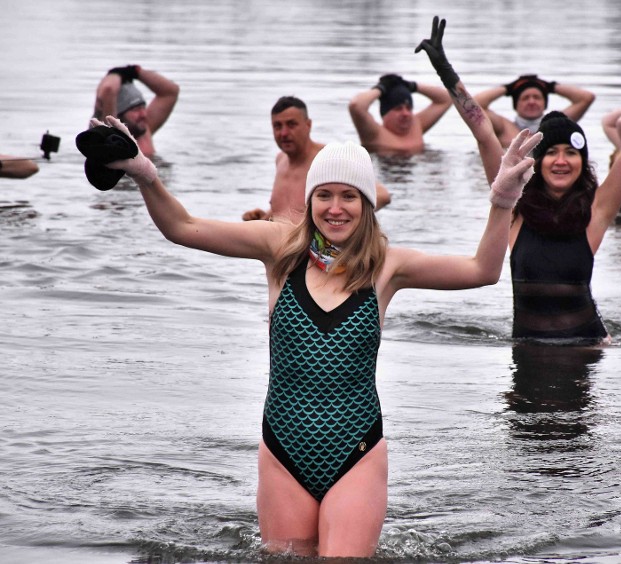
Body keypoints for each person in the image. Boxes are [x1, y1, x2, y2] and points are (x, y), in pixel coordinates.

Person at [82, 102, 539, 555]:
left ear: (366, 203)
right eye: (325, 195)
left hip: (355, 451)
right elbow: (182, 227)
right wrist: (145, 175)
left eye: (349, 197)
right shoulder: (279, 248)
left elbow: (483, 270)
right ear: (310, 199)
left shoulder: (388, 266)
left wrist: (502, 203)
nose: (335, 209)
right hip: (284, 448)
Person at [419, 17, 621, 344]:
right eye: (552, 153)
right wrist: (446, 72)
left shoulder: (596, 212)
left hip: (586, 352)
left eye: (571, 153)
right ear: (537, 160)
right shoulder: (513, 206)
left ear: (582, 162)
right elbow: (485, 136)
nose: (561, 161)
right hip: (527, 353)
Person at [242, 96, 391, 222]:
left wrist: (340, 219)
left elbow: (383, 195)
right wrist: (265, 217)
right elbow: (291, 210)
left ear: (308, 125)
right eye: (277, 126)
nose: (284, 133)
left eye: (291, 124)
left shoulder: (328, 159)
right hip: (282, 251)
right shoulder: (280, 160)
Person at [474, 73, 595, 147]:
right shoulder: (503, 127)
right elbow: (474, 104)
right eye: (525, 98)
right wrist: (508, 88)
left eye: (537, 97)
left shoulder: (557, 124)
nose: (531, 102)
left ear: (545, 103)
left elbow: (586, 98)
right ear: (516, 104)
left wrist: (551, 86)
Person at [348, 73, 452, 155]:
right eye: (398, 109)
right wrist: (380, 88)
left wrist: (413, 86)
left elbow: (447, 98)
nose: (405, 113)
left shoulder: (416, 125)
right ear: (385, 114)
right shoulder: (374, 135)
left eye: (409, 108)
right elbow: (356, 105)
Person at [92, 64, 179, 157]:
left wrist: (135, 71)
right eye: (135, 110)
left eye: (143, 107)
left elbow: (171, 91)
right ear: (118, 114)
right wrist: (114, 74)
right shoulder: (109, 135)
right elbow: (109, 88)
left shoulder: (144, 128)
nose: (143, 115)